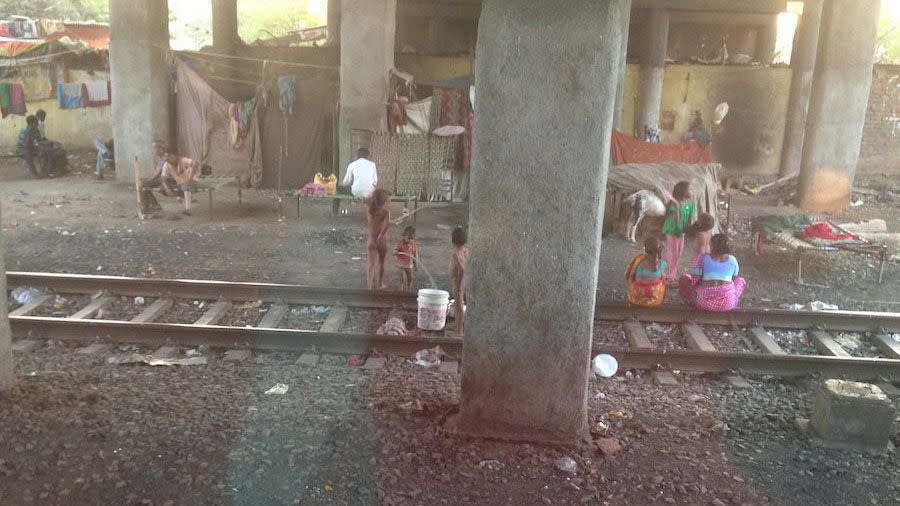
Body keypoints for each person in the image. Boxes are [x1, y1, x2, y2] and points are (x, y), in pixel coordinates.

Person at [679, 233, 746, 312]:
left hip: (704, 303)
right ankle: (730, 297)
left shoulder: (701, 258)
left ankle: (689, 301)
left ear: (712, 245)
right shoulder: (733, 260)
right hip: (727, 303)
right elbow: (734, 278)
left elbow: (694, 280)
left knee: (684, 278)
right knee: (741, 280)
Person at [661, 181, 696, 283]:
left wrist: (688, 228)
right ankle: (669, 276)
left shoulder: (689, 202)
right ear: (682, 191)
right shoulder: (674, 203)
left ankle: (671, 274)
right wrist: (677, 207)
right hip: (672, 229)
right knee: (671, 253)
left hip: (681, 230)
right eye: (689, 189)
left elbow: (690, 217)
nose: (691, 191)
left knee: (678, 253)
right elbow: (676, 219)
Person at [624, 236, 667, 307]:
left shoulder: (639, 260)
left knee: (633, 277)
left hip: (637, 298)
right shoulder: (663, 264)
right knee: (663, 278)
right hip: (656, 298)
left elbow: (627, 276)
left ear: (645, 250)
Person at [366, 189, 390, 290]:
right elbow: (387, 225)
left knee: (371, 265)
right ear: (385, 201)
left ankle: (369, 286)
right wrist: (381, 235)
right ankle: (380, 284)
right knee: (382, 262)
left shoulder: (369, 209)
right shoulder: (385, 212)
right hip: (382, 240)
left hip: (371, 239)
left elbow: (367, 198)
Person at [449, 227, 469, 336]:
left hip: (457, 281)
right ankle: (457, 328)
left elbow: (461, 268)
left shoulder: (456, 253)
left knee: (459, 307)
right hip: (461, 280)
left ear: (453, 240)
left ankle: (459, 330)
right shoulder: (465, 250)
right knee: (458, 306)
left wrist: (460, 282)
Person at [395, 225, 417, 291]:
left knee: (410, 278)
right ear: (404, 236)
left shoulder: (413, 244)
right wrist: (396, 252)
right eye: (408, 238)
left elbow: (415, 255)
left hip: (409, 265)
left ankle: (408, 289)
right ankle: (401, 290)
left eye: (412, 238)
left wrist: (416, 265)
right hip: (400, 265)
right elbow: (395, 250)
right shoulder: (400, 243)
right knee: (401, 278)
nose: (410, 240)